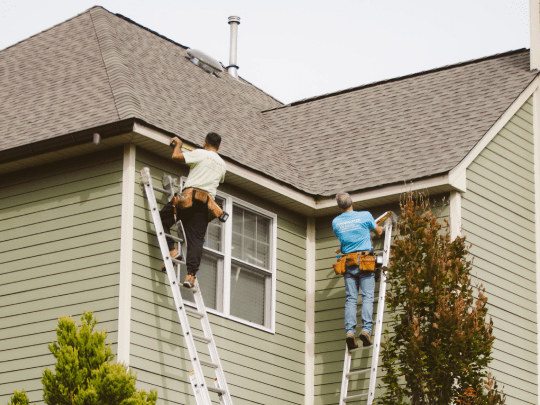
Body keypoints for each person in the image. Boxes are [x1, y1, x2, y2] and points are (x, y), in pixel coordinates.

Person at [159, 132, 226, 289]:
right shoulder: (222, 165)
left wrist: (179, 145)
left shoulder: (200, 153)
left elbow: (176, 156)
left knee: (162, 217)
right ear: (219, 146)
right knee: (196, 240)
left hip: (189, 198)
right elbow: (219, 179)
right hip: (206, 204)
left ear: (205, 143)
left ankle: (172, 250)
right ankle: (191, 275)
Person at [332, 192, 383, 350]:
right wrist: (375, 229)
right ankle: (366, 330)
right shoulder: (365, 216)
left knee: (351, 299)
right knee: (367, 297)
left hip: (348, 263)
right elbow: (379, 231)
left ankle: (350, 332)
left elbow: (345, 240)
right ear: (351, 202)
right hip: (365, 261)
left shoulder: (336, 222)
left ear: (339, 206)